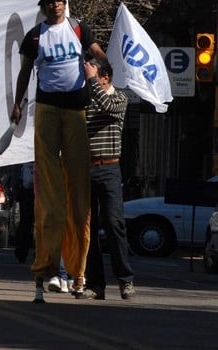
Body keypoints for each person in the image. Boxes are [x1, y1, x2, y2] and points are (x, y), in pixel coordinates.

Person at [10, 0, 105, 303]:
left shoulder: (78, 28)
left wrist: (105, 65)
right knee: (49, 196)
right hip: (48, 109)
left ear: (66, 3)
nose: (55, 6)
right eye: (50, 3)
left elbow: (96, 52)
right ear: (43, 7)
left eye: (59, 1)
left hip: (76, 109)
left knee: (79, 197)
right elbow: (25, 72)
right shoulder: (35, 36)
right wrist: (18, 102)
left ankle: (78, 274)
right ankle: (47, 269)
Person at [82, 58, 136, 300]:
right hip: (87, 168)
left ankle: (125, 280)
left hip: (110, 168)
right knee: (88, 228)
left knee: (114, 223)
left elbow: (106, 107)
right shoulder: (87, 99)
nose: (88, 79)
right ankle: (95, 284)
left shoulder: (118, 98)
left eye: (93, 76)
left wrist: (91, 80)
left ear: (105, 77)